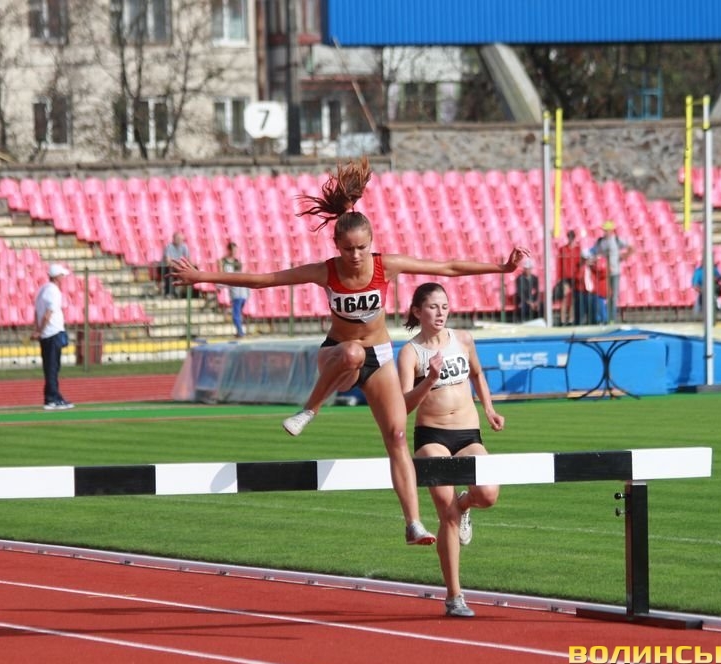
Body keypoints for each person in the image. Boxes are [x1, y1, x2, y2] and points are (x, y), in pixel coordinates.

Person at [171, 158, 529, 546]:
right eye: (348, 249)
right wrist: (201, 276)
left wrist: (501, 268)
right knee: (354, 353)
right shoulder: (326, 271)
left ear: (371, 243)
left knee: (396, 434)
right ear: (336, 246)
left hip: (380, 358)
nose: (355, 255)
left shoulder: (386, 266)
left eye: (362, 248)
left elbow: (447, 267)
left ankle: (413, 524)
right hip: (337, 356)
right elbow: (263, 280)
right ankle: (309, 410)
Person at [397, 282, 502, 618]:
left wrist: (489, 409)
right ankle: (454, 596)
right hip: (432, 436)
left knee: (488, 495)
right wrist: (429, 379)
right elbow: (403, 405)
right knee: (447, 515)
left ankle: (466, 504)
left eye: (444, 306)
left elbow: (478, 374)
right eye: (433, 307)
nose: (440, 313)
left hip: (469, 433)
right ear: (417, 311)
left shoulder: (463, 339)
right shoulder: (410, 353)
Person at [32, 264, 75, 410]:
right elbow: (47, 314)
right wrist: (40, 330)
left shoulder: (42, 289)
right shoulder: (53, 291)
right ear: (57, 277)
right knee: (52, 367)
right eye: (62, 275)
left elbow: (37, 312)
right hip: (52, 332)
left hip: (47, 333)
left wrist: (37, 330)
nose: (63, 278)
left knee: (50, 367)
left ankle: (51, 396)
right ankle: (53, 398)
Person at [590, 220, 631, 323]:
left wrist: (623, 257)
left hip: (615, 272)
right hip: (604, 274)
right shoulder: (600, 242)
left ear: (611, 230)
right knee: (605, 296)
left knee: (614, 297)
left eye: (606, 230)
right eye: (604, 230)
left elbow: (631, 248)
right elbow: (594, 252)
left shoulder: (617, 240)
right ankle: (605, 317)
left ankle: (612, 318)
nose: (605, 232)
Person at [219, 242, 250, 337]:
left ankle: (240, 332)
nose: (234, 252)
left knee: (237, 313)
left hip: (241, 291)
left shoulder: (237, 262)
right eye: (233, 250)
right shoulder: (223, 261)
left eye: (235, 250)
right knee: (236, 313)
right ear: (229, 250)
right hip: (236, 291)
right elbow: (222, 274)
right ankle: (240, 332)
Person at [555, 230, 582, 325]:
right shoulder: (563, 249)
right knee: (564, 298)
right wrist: (559, 277)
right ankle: (562, 320)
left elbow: (580, 264)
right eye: (569, 237)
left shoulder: (578, 250)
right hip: (565, 277)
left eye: (572, 237)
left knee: (573, 299)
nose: (571, 239)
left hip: (575, 277)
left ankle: (571, 319)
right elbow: (559, 264)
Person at [161, 232, 190, 297]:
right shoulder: (169, 247)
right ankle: (169, 293)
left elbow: (187, 259)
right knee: (170, 273)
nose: (180, 240)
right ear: (173, 239)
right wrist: (177, 265)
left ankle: (187, 293)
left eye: (181, 239)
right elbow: (168, 261)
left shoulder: (184, 246)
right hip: (169, 267)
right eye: (178, 239)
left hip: (179, 267)